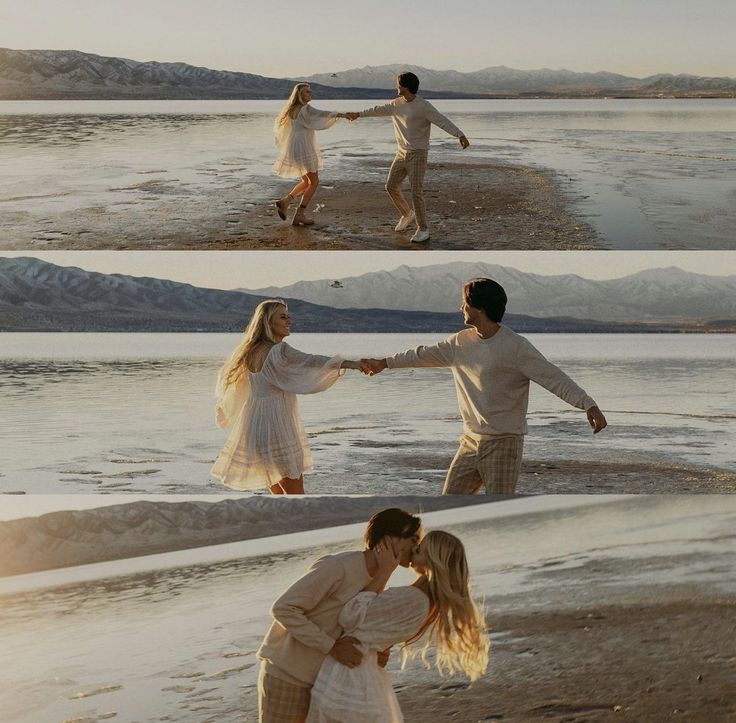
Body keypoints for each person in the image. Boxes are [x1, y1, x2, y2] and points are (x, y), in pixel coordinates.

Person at [361, 278, 608, 495]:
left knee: (499, 508)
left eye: (465, 303)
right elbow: (421, 354)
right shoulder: (459, 343)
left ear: (480, 308)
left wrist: (588, 404)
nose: (461, 308)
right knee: (448, 505)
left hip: (504, 444)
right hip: (470, 442)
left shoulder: (515, 347)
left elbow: (554, 378)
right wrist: (384, 363)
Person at [257, 508, 423, 723]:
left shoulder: (378, 578)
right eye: (413, 539)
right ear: (390, 539)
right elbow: (283, 608)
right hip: (289, 676)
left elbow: (354, 625)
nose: (417, 546)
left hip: (324, 681)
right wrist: (331, 646)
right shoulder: (339, 567)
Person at [307, 530, 489, 723]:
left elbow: (349, 616)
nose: (412, 551)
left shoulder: (412, 599)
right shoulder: (423, 600)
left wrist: (385, 571)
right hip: (362, 674)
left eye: (419, 550)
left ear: (433, 561)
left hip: (349, 678)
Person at [210, 299, 362, 494]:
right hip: (277, 427)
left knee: (281, 499)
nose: (289, 320)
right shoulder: (278, 350)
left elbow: (236, 392)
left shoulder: (249, 352)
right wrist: (352, 364)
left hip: (254, 429)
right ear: (267, 322)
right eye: (282, 316)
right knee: (296, 498)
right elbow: (310, 361)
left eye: (289, 316)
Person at [345, 72, 469, 244]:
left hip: (418, 154)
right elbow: (377, 110)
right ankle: (406, 213)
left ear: (405, 86)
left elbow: (442, 121)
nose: (396, 87)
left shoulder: (423, 106)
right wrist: (358, 114)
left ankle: (423, 229)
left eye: (398, 84)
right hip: (401, 153)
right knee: (390, 186)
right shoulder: (396, 104)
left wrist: (460, 135)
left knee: (416, 192)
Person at [274, 83, 347, 226]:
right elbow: (322, 114)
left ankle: (285, 201)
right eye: (307, 92)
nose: (310, 94)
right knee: (314, 182)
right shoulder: (305, 108)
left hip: (294, 147)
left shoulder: (291, 109)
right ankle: (299, 214)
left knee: (306, 181)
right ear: (300, 95)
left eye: (310, 92)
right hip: (304, 147)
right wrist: (342, 115)